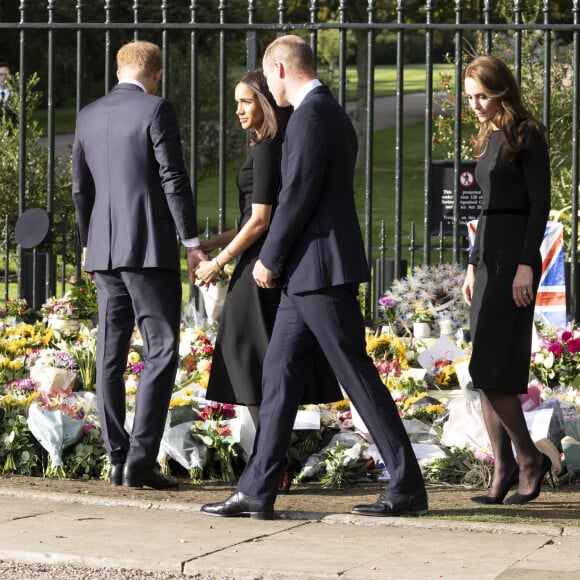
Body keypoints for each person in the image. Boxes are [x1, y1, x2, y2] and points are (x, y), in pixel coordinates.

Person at [201, 34, 427, 520]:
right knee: (277, 378)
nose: (268, 90)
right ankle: (257, 489)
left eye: (269, 78)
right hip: (309, 276)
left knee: (357, 377)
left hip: (319, 272)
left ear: (281, 69)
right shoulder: (324, 113)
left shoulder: (311, 115)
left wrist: (270, 258)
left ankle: (407, 483)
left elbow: (297, 195)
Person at [72, 40, 206, 490]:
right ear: (156, 73)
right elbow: (173, 177)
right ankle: (140, 461)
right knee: (161, 347)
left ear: (118, 70)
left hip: (104, 252)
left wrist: (88, 242)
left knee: (109, 354)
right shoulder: (155, 109)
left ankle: (116, 457)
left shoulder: (88, 114)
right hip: (148, 249)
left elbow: (80, 190)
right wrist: (191, 241)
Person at [195, 70, 341, 432]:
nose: (239, 111)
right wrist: (212, 243)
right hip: (259, 257)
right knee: (259, 358)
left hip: (260, 264)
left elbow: (261, 220)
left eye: (246, 102)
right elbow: (253, 217)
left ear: (263, 102)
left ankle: (271, 459)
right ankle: (272, 458)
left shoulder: (269, 148)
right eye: (236, 104)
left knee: (248, 357)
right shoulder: (268, 146)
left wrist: (218, 261)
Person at [461, 55, 552, 505]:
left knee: (493, 367)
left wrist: (525, 265)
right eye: (470, 97)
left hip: (514, 258)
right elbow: (485, 206)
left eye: (482, 95)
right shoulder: (490, 136)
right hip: (488, 260)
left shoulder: (526, 133)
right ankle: (504, 468)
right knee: (483, 372)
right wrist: (472, 263)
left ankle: (529, 457)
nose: (476, 105)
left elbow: (539, 206)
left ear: (502, 90)